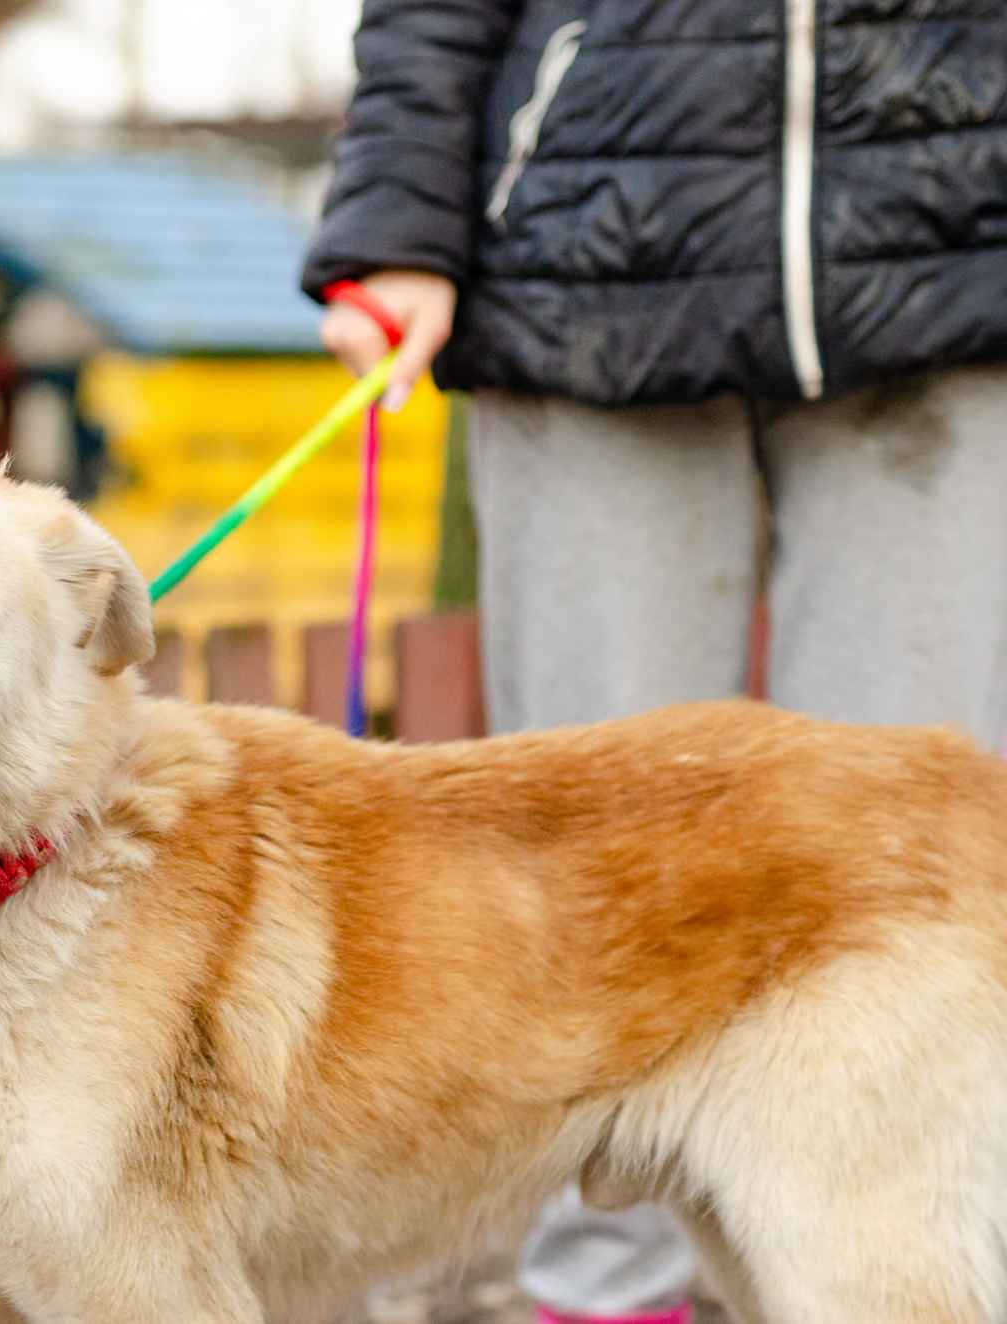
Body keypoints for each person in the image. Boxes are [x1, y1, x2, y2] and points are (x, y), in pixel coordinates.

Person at [301, 3, 1007, 1321]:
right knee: (590, 877)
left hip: (957, 240)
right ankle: (605, 1296)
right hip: (590, 249)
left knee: (923, 873)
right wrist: (397, 221)